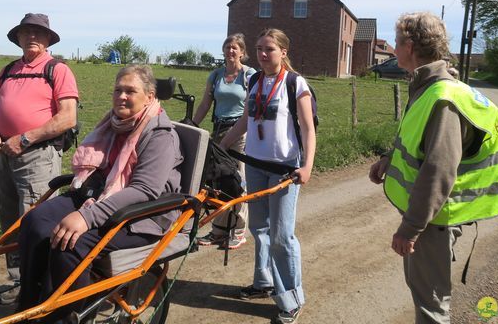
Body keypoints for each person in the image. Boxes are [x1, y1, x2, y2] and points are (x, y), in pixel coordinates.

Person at [369, 12, 498, 323]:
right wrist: (389, 158)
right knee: (426, 297)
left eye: (396, 42)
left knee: (431, 306)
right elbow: (421, 142)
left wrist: (410, 229)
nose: (393, 49)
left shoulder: (442, 97)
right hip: (435, 218)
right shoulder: (430, 87)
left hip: (435, 220)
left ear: (409, 45)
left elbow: (439, 169)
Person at [18, 65, 183, 320]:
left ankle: (66, 316)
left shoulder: (160, 135)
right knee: (34, 221)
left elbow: (144, 190)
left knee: (71, 243)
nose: (122, 96)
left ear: (149, 96)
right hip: (102, 194)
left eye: (131, 91)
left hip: (143, 216)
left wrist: (87, 217)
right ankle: (30, 306)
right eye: (118, 90)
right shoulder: (115, 123)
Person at [221, 28, 316, 324]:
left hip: (284, 169)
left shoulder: (295, 82)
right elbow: (247, 120)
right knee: (259, 229)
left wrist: (308, 165)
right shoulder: (254, 80)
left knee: (282, 235)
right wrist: (221, 145)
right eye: (260, 48)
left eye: (270, 49)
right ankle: (264, 282)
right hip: (255, 164)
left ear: (283, 52)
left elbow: (307, 127)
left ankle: (291, 299)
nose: (263, 54)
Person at [0, 13, 79, 304]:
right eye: (26, 32)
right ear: (18, 38)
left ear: (49, 38)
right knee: (11, 220)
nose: (32, 37)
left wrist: (25, 139)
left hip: (38, 157)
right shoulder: (9, 70)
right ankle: (19, 281)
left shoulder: (58, 70)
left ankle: (41, 286)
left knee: (37, 222)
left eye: (38, 32)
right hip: (5, 156)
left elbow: (67, 117)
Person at [193, 33, 256, 249]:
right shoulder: (216, 75)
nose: (231, 51)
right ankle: (219, 230)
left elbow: (251, 109)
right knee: (217, 181)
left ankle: (238, 230)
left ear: (242, 52)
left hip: (240, 133)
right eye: (228, 47)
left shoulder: (249, 75)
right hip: (218, 129)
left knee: (239, 180)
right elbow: (205, 104)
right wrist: (192, 124)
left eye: (235, 48)